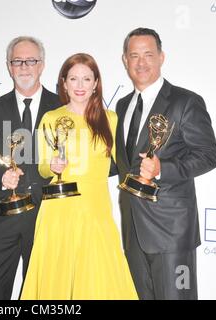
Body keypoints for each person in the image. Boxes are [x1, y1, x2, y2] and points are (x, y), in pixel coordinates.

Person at [20, 53, 138, 300]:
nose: (80, 86)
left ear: (96, 83)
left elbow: (125, 164)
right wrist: (52, 166)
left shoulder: (111, 119)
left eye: (86, 79)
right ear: (64, 83)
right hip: (58, 210)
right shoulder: (50, 118)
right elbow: (42, 168)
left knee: (98, 278)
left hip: (95, 209)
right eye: (74, 79)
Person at [113, 27, 216, 300]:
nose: (141, 62)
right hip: (133, 232)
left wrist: (163, 169)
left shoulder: (186, 102)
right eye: (134, 55)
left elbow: (208, 154)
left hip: (171, 233)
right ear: (125, 60)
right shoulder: (122, 106)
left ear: (162, 57)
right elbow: (120, 162)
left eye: (148, 54)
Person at [0, 36, 61, 299]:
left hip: (46, 216)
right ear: (8, 66)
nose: (24, 67)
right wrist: (2, 175)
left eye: (31, 61)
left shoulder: (62, 107)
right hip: (2, 214)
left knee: (43, 295)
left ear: (42, 65)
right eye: (18, 61)